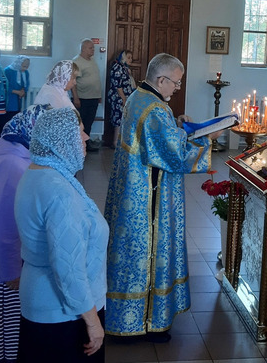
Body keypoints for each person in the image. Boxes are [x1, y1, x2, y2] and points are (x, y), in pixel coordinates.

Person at [104, 53, 220, 342]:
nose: (177, 88)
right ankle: (144, 323)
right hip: (147, 200)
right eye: (176, 83)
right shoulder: (154, 109)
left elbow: (159, 138)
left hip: (132, 191)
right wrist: (208, 139)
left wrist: (178, 125)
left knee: (130, 253)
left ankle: (128, 316)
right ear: (161, 79)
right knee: (145, 253)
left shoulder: (138, 96)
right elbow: (175, 155)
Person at [15, 108, 108, 362]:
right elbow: (68, 268)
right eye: (79, 132)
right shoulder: (60, 192)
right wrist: (92, 321)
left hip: (43, 301)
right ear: (61, 139)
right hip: (64, 312)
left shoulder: (37, 172)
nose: (87, 137)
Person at [0, 104, 50, 363]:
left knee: (1, 325)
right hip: (4, 270)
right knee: (5, 329)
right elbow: (6, 229)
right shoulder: (12, 167)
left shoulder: (16, 155)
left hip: (1, 264)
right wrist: (13, 272)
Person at [72, 39, 102, 152]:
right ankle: (78, 147)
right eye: (90, 48)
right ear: (83, 49)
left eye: (93, 48)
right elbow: (73, 81)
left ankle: (86, 144)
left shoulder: (92, 60)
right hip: (82, 99)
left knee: (89, 123)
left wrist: (98, 95)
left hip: (93, 98)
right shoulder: (76, 61)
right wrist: (75, 97)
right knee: (81, 123)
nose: (93, 50)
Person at [106, 50, 136, 148]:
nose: (130, 59)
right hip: (118, 98)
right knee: (118, 120)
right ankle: (115, 142)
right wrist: (123, 99)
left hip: (125, 97)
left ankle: (121, 141)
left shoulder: (125, 68)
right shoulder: (117, 67)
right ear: (123, 57)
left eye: (131, 58)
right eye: (128, 57)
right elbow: (117, 85)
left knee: (123, 119)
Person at [4, 55, 30, 120]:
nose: (25, 68)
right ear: (19, 63)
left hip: (19, 99)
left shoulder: (25, 72)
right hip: (9, 98)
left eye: (27, 66)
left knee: (16, 117)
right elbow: (4, 86)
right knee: (8, 117)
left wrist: (23, 90)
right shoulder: (8, 71)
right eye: (24, 66)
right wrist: (16, 92)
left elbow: (26, 83)